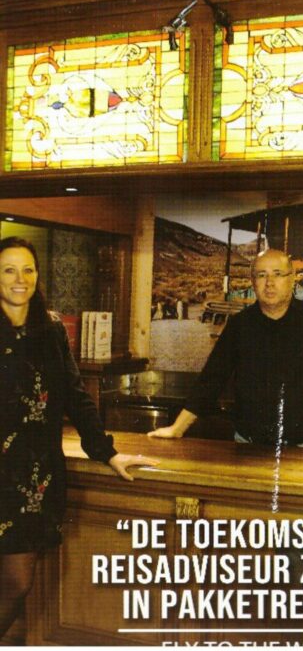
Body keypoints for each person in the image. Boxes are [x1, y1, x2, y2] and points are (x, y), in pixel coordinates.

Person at [0, 237, 157, 639]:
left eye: (28, 269)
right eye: (9, 270)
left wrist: (108, 453)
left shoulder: (50, 331)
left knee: (17, 581)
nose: (20, 279)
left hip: (34, 476)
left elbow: (74, 395)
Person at [149, 249, 303, 453]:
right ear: (253, 282)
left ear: (292, 279)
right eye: (261, 275)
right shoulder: (239, 325)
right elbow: (211, 380)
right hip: (246, 445)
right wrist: (177, 429)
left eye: (277, 274)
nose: (269, 282)